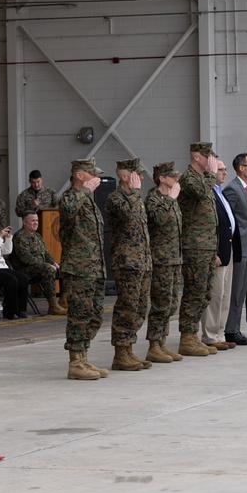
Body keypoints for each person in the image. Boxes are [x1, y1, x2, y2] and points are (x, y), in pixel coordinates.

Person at [59, 158, 109, 380]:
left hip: (94, 268)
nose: (96, 177)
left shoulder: (89, 201)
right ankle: (75, 362)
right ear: (80, 176)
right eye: (92, 174)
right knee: (79, 315)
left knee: (94, 315)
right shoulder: (72, 197)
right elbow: (68, 211)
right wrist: (84, 193)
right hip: (78, 268)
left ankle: (84, 357)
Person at [105, 159, 153, 371]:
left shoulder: (136, 197)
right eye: (136, 174)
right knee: (127, 306)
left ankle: (129, 350)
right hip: (127, 262)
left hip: (142, 260)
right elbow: (129, 216)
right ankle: (121, 353)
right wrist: (134, 193)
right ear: (125, 176)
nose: (140, 178)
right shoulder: (116, 198)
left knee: (141, 306)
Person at [176, 142, 220, 357]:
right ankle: (186, 337)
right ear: (196, 157)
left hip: (206, 246)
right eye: (207, 156)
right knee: (194, 292)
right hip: (194, 245)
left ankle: (192, 336)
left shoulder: (203, 179)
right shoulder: (189, 179)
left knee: (204, 293)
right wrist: (211, 175)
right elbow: (201, 193)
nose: (211, 160)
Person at [145, 162, 184, 363]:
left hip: (174, 258)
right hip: (161, 259)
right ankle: (153, 345)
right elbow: (159, 219)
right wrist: (170, 200)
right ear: (162, 178)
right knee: (160, 303)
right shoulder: (154, 199)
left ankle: (162, 342)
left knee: (170, 304)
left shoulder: (171, 199)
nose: (176, 180)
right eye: (172, 176)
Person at [201, 157, 237, 351]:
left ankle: (219, 334)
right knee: (214, 296)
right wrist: (213, 251)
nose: (224, 172)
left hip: (227, 250)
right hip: (218, 252)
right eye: (220, 169)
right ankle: (210, 335)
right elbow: (208, 226)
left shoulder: (220, 193)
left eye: (224, 169)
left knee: (224, 295)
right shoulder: (208, 194)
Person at [222, 153, 247, 346]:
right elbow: (228, 220)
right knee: (235, 291)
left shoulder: (246, 190)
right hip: (238, 247)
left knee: (242, 291)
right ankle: (230, 330)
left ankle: (235, 328)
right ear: (241, 168)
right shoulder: (233, 190)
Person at [10, 212, 67, 316]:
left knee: (64, 268)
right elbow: (26, 258)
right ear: (24, 222)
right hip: (24, 269)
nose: (35, 223)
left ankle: (63, 301)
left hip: (39, 266)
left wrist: (54, 263)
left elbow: (46, 253)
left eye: (37, 220)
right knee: (48, 269)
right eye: (32, 221)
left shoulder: (37, 236)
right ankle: (53, 306)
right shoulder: (20, 237)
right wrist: (46, 265)